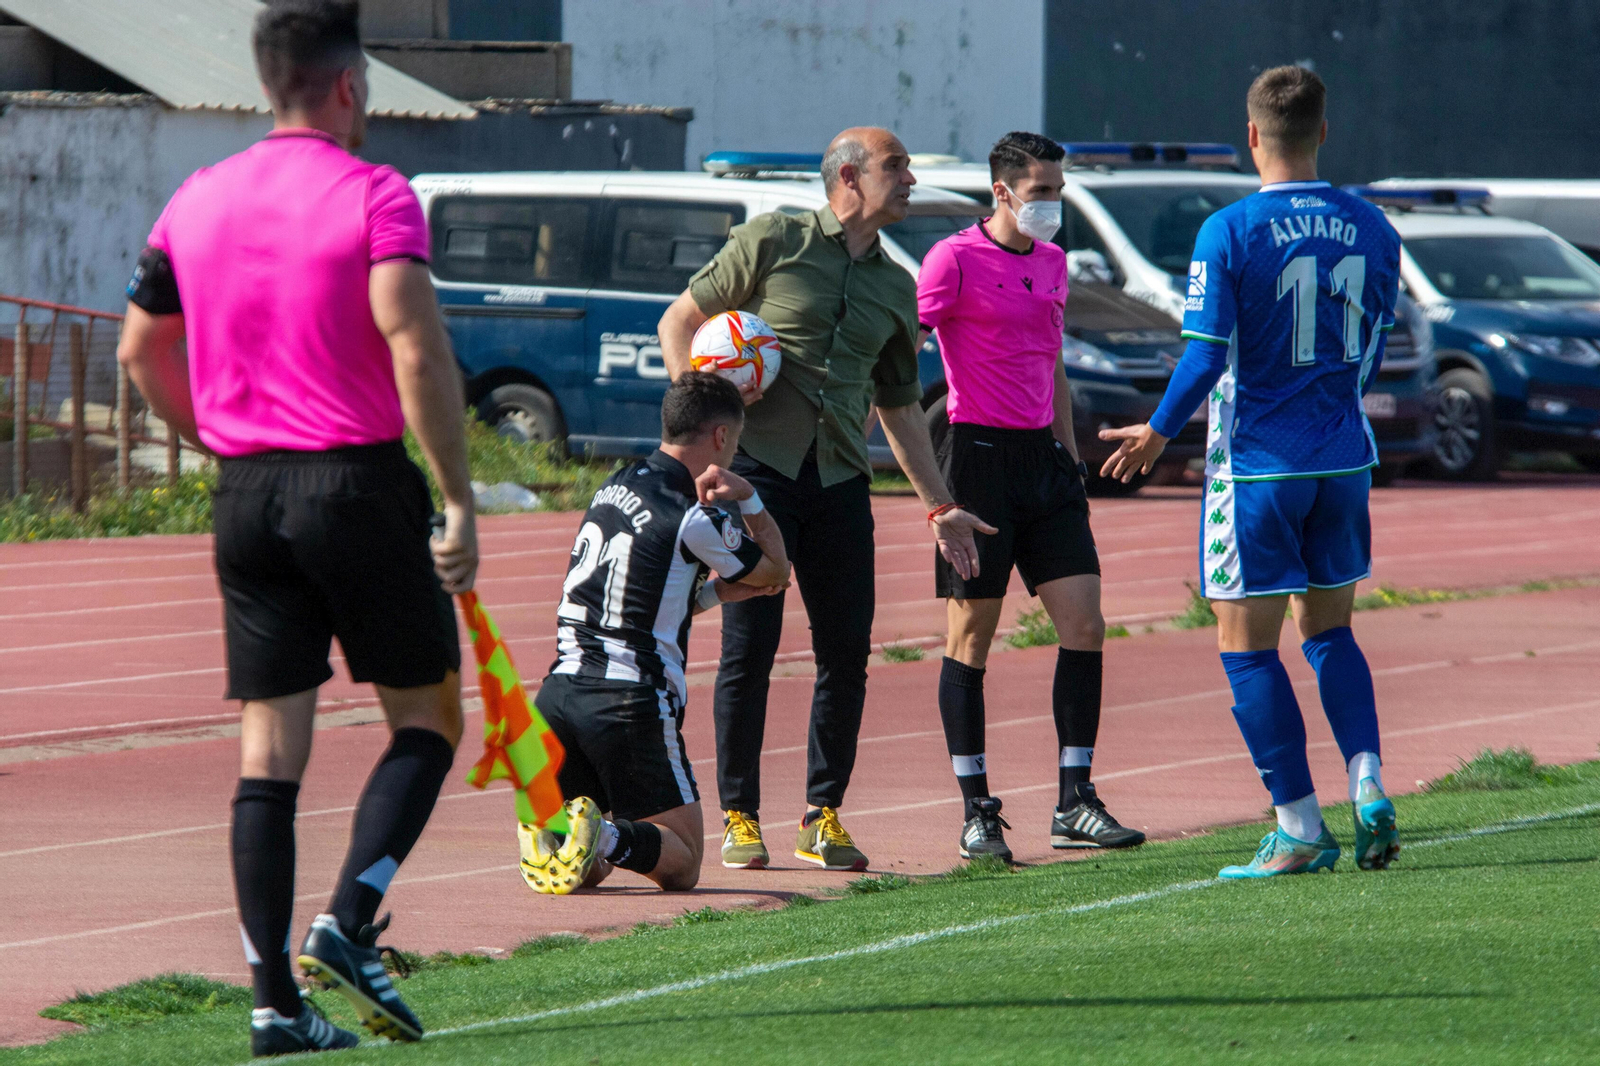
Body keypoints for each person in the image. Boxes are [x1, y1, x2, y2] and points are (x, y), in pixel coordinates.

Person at [118, 1, 476, 1054]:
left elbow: (142, 349)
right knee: (428, 719)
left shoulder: (196, 196)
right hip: (356, 485)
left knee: (269, 755)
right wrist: (456, 497)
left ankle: (274, 1000)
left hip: (247, 496)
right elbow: (414, 343)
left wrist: (221, 438)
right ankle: (350, 920)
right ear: (349, 87)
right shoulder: (374, 192)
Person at [657, 127, 995, 873]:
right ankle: (741, 817)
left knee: (846, 654)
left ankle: (823, 814)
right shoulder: (773, 240)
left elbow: (901, 409)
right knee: (750, 652)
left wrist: (940, 506)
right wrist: (703, 441)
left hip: (841, 482)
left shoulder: (895, 285)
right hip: (757, 479)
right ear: (849, 176)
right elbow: (678, 322)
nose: (909, 179)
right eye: (896, 166)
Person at [1099, 65, 1402, 879]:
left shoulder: (1227, 231)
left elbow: (1205, 355)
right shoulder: (1374, 226)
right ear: (1324, 132)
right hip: (1344, 458)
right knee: (1331, 631)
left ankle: (1300, 825)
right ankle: (1367, 779)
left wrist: (1160, 433)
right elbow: (1374, 349)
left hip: (1259, 468)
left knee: (1246, 647)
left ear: (1254, 135)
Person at [916, 132, 1146, 862]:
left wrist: (1069, 452)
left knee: (1085, 623)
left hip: (1044, 464)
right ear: (1003, 192)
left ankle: (1075, 800)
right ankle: (976, 808)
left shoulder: (1051, 264)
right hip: (975, 461)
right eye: (1041, 190)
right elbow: (897, 358)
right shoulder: (951, 259)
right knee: (971, 641)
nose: (1052, 203)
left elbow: (1051, 366)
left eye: (1058, 189)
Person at [518, 372, 790, 894]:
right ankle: (599, 836)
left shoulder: (615, 483)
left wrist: (713, 594)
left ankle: (566, 835)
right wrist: (751, 499)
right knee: (682, 861)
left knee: (586, 873)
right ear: (720, 438)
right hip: (627, 700)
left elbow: (640, 594)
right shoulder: (694, 511)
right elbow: (776, 572)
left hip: (556, 696)